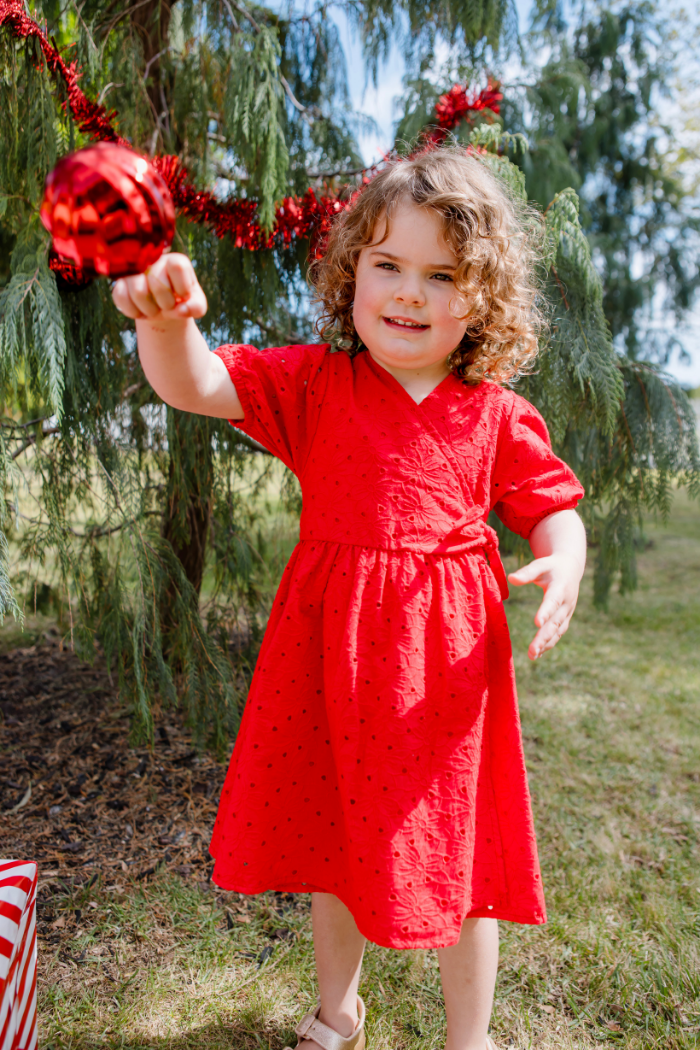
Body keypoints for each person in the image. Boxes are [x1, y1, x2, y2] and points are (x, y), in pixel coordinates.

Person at [112, 147, 586, 1050]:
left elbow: (551, 508)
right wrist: (168, 328)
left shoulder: (494, 415)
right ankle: (338, 1009)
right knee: (336, 844)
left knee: (463, 852)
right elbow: (196, 384)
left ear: (481, 296)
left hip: (448, 679)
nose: (409, 292)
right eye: (388, 265)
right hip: (334, 662)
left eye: (442, 275)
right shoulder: (316, 385)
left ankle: (469, 1033)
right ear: (352, 273)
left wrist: (563, 562)